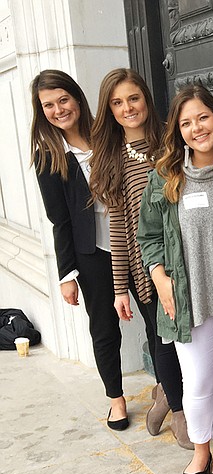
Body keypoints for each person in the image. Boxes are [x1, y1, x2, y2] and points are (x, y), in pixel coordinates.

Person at [137, 84, 213, 474]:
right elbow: (147, 236)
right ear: (177, 131)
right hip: (187, 295)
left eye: (203, 117)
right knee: (198, 378)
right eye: (186, 122)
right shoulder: (166, 178)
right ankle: (199, 449)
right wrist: (160, 277)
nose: (197, 128)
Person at [89, 68, 188, 448]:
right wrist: (119, 288)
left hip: (186, 257)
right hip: (145, 266)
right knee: (162, 336)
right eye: (117, 102)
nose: (127, 108)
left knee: (186, 337)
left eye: (133, 98)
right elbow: (116, 227)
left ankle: (168, 395)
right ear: (109, 110)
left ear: (146, 98)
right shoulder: (110, 156)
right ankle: (178, 411)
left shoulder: (172, 141)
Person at [30, 70, 128, 430]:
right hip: (92, 252)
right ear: (42, 112)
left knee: (154, 318)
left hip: (130, 241)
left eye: (63, 100)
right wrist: (67, 274)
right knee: (104, 327)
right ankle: (116, 399)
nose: (58, 110)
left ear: (77, 97)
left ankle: (167, 390)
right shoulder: (49, 157)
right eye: (48, 106)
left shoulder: (108, 134)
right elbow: (60, 221)